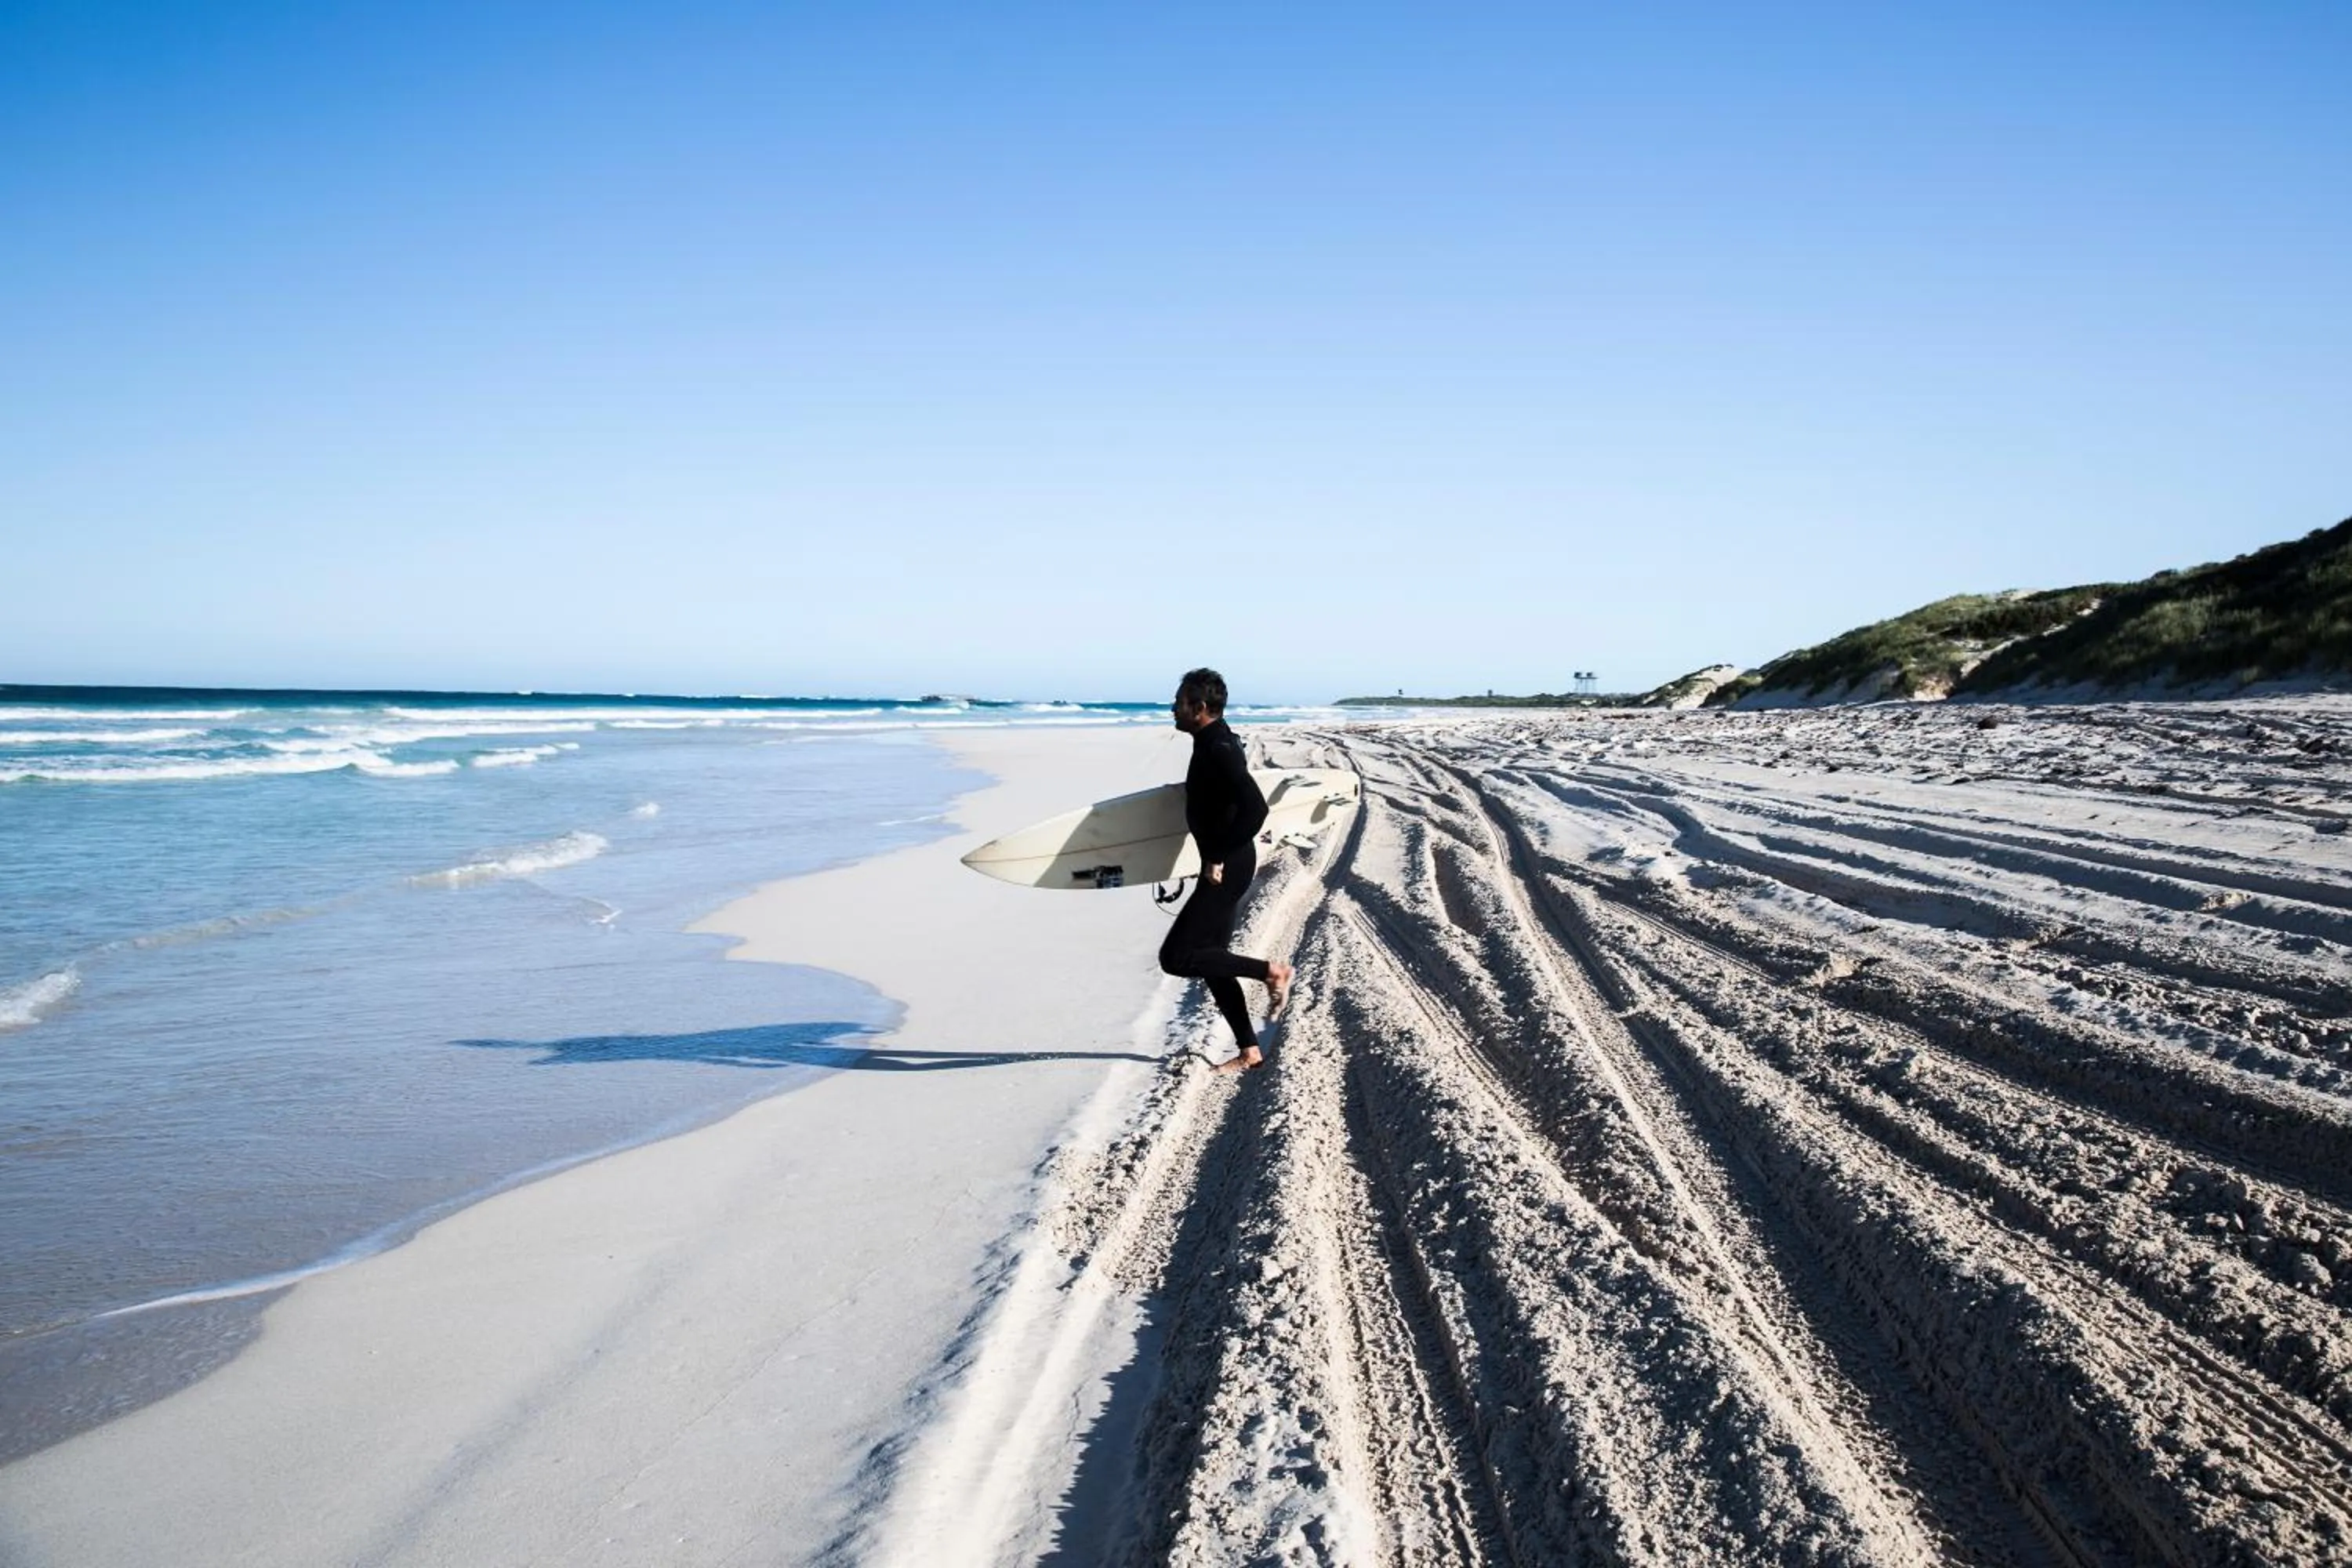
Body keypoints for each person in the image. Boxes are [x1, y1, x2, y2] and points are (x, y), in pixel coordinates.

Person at [1160, 667, 1292, 1071]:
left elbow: (1256, 808)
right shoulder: (1211, 741)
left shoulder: (1218, 746)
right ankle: (1250, 1051)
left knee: (1177, 958)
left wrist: (1215, 855)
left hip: (1228, 864)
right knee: (1213, 960)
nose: (1173, 709)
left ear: (1200, 708)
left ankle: (1272, 972)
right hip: (1225, 860)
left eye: (1180, 703)